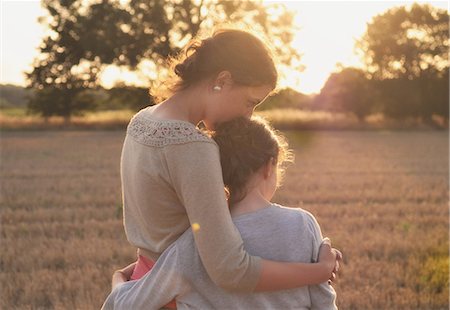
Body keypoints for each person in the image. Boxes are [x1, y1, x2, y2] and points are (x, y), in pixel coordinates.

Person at [113, 26, 342, 307]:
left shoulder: (142, 120)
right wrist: (318, 271)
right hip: (178, 298)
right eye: (250, 102)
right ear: (222, 80)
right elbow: (231, 270)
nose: (249, 115)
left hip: (144, 284)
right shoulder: (193, 147)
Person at [102, 116, 339, 309]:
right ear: (269, 166)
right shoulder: (303, 224)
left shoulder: (194, 243)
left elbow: (127, 306)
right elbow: (323, 301)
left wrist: (118, 279)